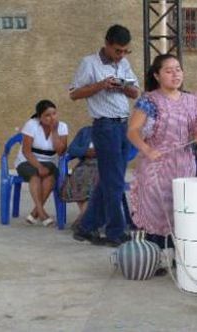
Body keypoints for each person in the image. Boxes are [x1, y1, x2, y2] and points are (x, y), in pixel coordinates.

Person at [127, 54, 197, 271]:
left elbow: (196, 128)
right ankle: (153, 259)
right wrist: (147, 150)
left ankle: (178, 257)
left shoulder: (192, 100)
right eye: (169, 70)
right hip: (157, 166)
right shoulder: (149, 101)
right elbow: (133, 131)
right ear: (157, 75)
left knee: (180, 209)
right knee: (156, 210)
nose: (175, 74)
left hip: (184, 165)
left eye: (178, 69)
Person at [70, 24, 140, 247]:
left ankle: (86, 227)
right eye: (118, 50)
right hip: (105, 126)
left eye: (125, 51)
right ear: (107, 44)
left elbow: (135, 92)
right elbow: (74, 93)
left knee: (110, 180)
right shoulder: (89, 63)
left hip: (122, 125)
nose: (121, 55)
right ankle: (115, 231)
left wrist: (121, 86)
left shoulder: (124, 64)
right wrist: (101, 85)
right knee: (115, 181)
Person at [15, 99, 68, 226]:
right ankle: (42, 213)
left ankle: (35, 212)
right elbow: (26, 151)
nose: (52, 118)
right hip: (27, 160)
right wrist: (38, 166)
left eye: (54, 114)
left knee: (50, 177)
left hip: (50, 162)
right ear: (40, 117)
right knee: (35, 176)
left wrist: (54, 131)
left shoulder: (62, 127)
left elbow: (61, 152)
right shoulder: (31, 124)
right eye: (47, 115)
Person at [60, 126, 98, 229]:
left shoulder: (117, 131)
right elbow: (72, 149)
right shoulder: (85, 131)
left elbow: (128, 151)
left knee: (94, 178)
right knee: (78, 176)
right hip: (85, 164)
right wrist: (86, 151)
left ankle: (83, 219)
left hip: (105, 165)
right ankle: (85, 218)